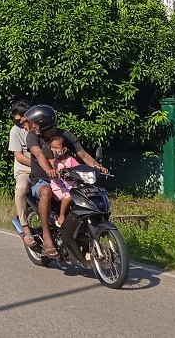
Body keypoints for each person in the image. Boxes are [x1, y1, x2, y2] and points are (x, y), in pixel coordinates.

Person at [22, 104, 109, 257]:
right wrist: (48, 169)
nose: (33, 127)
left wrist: (97, 166)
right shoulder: (33, 136)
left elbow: (82, 155)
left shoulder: (66, 136)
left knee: (86, 195)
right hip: (42, 179)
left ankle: (82, 234)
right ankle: (47, 237)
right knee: (46, 192)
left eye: (35, 123)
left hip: (66, 179)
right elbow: (38, 154)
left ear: (42, 124)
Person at [7, 100, 35, 246]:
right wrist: (37, 165)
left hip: (45, 172)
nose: (19, 121)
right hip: (25, 172)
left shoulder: (38, 127)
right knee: (21, 189)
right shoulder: (15, 131)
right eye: (16, 119)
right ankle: (25, 227)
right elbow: (19, 156)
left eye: (22, 117)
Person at [48, 135, 79, 227]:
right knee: (69, 195)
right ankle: (61, 216)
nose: (54, 150)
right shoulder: (52, 161)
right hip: (58, 187)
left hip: (71, 186)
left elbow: (78, 168)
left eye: (56, 148)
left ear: (64, 150)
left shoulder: (70, 160)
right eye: (52, 147)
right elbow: (49, 168)